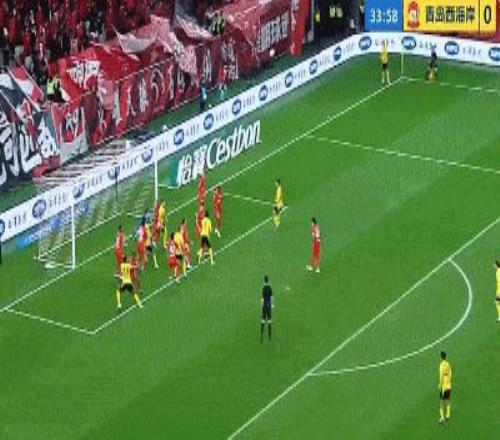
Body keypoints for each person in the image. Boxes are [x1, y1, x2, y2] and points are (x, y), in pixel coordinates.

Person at [438, 351, 452, 423]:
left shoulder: (441, 365)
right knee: (448, 400)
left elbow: (441, 376)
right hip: (449, 386)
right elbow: (450, 373)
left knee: (441, 403)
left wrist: (440, 385)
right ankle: (448, 416)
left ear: (441, 357)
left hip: (444, 387)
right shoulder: (447, 364)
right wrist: (449, 381)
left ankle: (442, 418)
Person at [261, 275, 273, 342]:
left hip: (264, 306)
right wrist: (272, 305)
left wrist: (261, 307)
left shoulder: (264, 288)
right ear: (268, 280)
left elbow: (262, 299)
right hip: (269, 306)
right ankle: (269, 336)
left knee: (263, 320)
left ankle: (261, 335)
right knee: (269, 321)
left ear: (264, 281)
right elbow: (271, 297)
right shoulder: (270, 288)